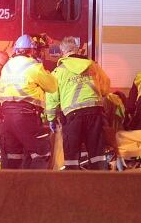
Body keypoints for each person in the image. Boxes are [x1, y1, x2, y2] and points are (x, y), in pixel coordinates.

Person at [46, 36, 111, 170]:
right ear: (76, 50)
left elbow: (52, 98)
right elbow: (105, 86)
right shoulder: (93, 65)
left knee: (72, 154)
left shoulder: (59, 72)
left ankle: (73, 184)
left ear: (63, 53)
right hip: (95, 112)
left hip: (73, 115)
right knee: (97, 152)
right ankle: (101, 182)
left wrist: (51, 119)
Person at [0, 34, 58, 169]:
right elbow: (52, 87)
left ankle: (9, 188)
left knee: (12, 156)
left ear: (16, 50)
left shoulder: (7, 66)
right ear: (32, 50)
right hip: (25, 116)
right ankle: (35, 188)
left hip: (5, 118)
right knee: (42, 151)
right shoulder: (34, 66)